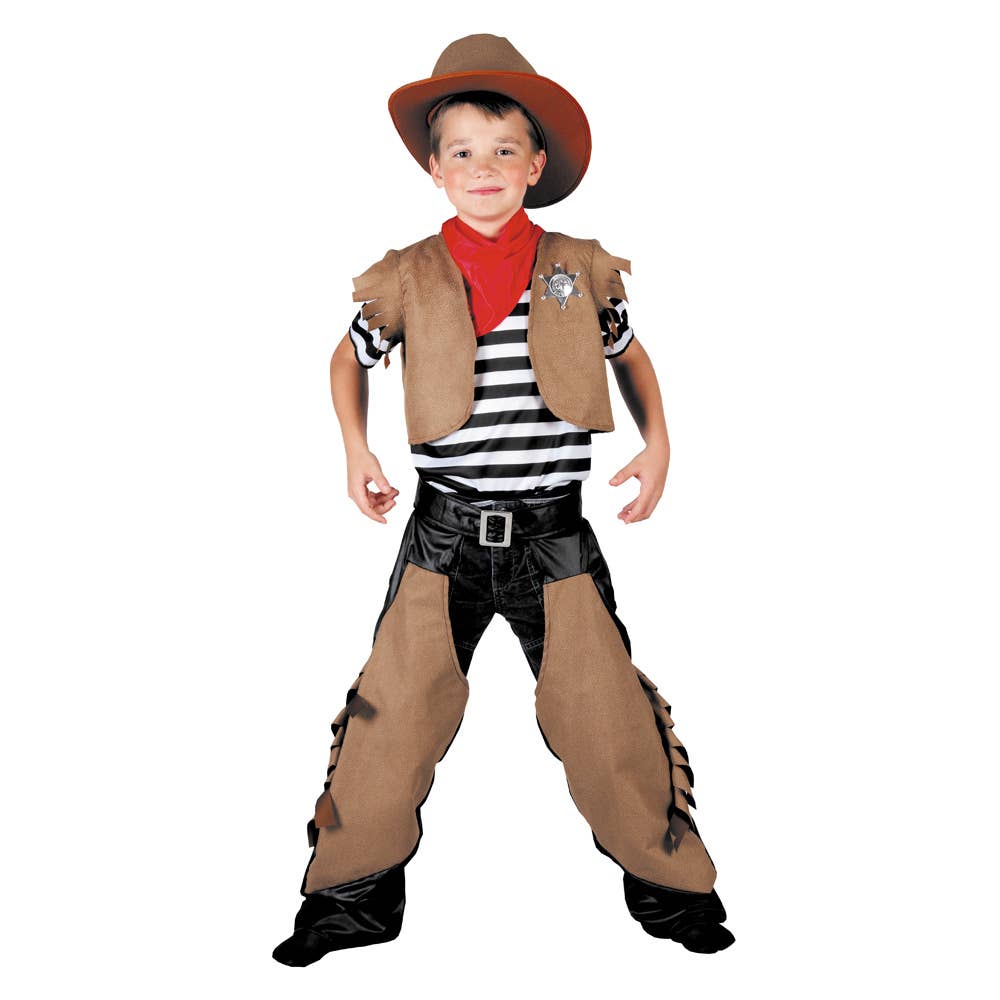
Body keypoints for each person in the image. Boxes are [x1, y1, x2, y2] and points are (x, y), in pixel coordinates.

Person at [272, 33, 735, 967]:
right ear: (435, 170)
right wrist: (356, 447)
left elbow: (630, 354)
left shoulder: (576, 268)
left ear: (534, 164)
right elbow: (346, 359)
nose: (481, 168)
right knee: (392, 711)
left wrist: (659, 443)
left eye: (502, 150)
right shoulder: (406, 275)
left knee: (606, 715)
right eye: (461, 153)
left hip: (554, 535)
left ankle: (672, 889)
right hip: (443, 533)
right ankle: (350, 899)